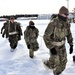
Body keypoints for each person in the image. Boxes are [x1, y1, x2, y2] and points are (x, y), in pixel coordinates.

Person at [43, 6, 73, 75]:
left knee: (63, 63)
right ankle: (46, 63)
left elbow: (69, 34)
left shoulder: (67, 23)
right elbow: (46, 36)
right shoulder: (53, 23)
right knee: (53, 65)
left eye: (68, 14)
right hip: (54, 46)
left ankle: (56, 73)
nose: (67, 16)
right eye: (66, 14)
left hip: (62, 46)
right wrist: (51, 48)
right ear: (60, 13)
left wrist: (71, 44)